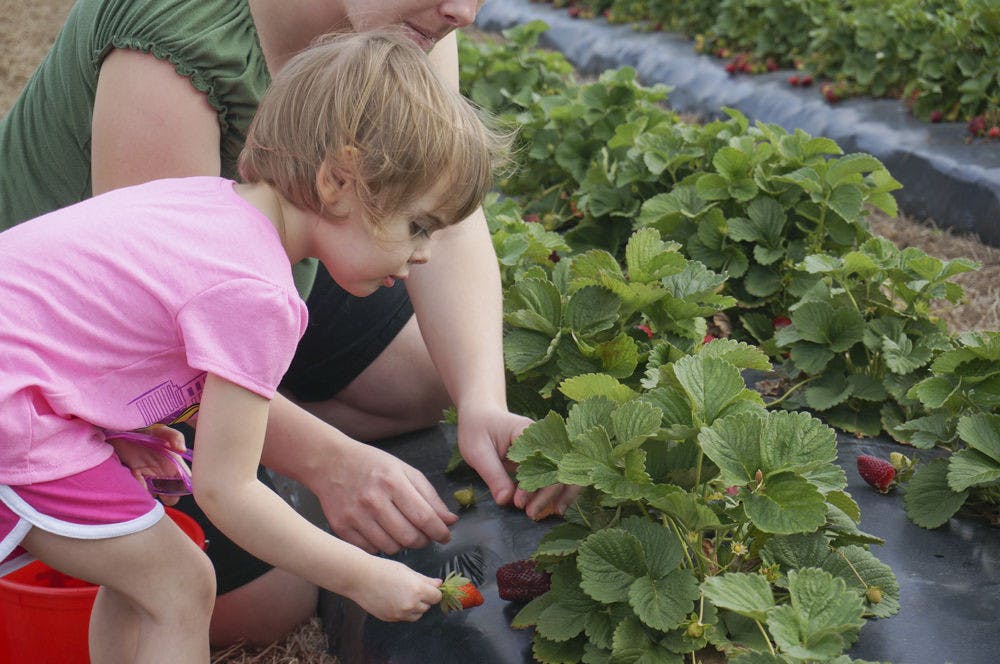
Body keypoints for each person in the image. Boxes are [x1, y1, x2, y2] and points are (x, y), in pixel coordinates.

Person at [0, 0, 578, 647]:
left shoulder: (217, 210)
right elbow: (229, 491)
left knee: (142, 578)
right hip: (17, 407)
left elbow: (108, 322)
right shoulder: (257, 294)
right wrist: (363, 575)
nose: (421, 254)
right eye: (415, 227)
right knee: (180, 584)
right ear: (335, 182)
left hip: (26, 368)